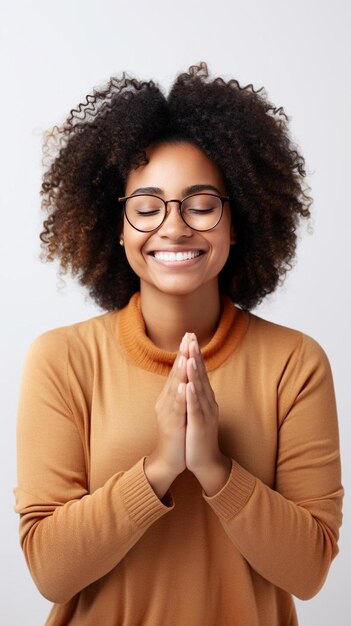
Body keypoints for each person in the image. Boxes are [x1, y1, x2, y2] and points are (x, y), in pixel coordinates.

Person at [14, 62, 343, 626]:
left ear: (236, 221)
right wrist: (160, 468)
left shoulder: (295, 364)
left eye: (201, 203)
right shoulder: (63, 360)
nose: (173, 227)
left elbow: (309, 571)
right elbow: (50, 571)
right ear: (116, 228)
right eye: (146, 207)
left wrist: (214, 466)